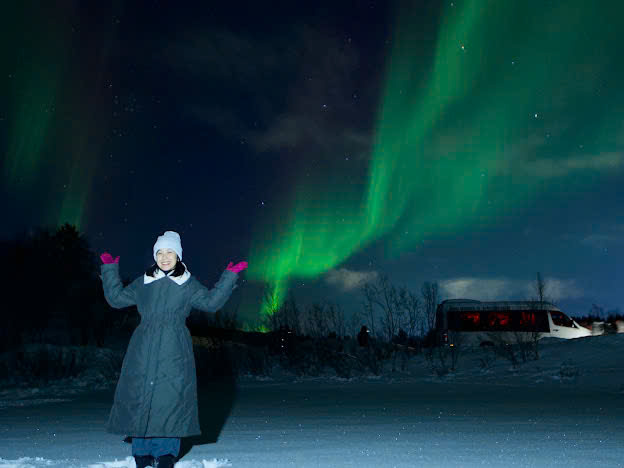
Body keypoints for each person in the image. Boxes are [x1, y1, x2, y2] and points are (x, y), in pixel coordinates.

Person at [99, 231, 247, 468]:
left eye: (170, 252)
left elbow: (211, 303)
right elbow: (116, 299)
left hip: (174, 347)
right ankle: (142, 453)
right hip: (142, 346)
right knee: (140, 397)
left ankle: (166, 454)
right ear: (154, 256)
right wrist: (109, 271)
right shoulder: (143, 282)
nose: (165, 257)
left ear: (178, 255)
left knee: (171, 399)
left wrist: (229, 277)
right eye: (160, 252)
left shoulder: (187, 283)